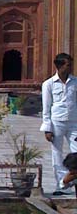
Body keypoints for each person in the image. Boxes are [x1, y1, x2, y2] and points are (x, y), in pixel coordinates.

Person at [41, 52, 77, 195]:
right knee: (57, 154)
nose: (71, 68)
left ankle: (72, 180)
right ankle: (60, 185)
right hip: (57, 122)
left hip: (74, 122)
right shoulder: (48, 84)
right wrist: (47, 128)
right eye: (68, 65)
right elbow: (46, 107)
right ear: (60, 66)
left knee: (76, 154)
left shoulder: (75, 82)